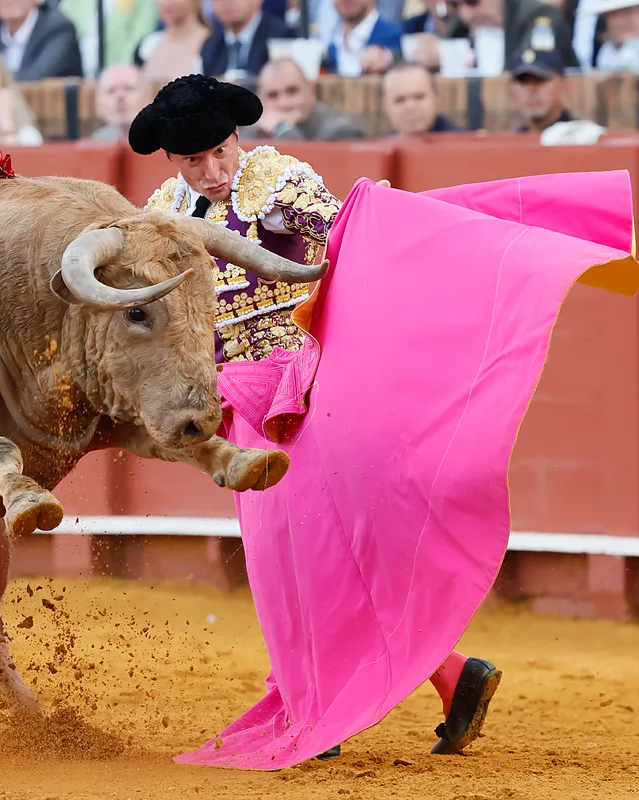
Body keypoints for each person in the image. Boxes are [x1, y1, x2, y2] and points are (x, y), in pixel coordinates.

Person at [130, 73, 505, 764]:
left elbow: (357, 246)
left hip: (298, 390)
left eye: (220, 151)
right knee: (317, 559)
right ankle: (451, 676)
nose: (212, 172)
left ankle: (317, 702)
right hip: (234, 400)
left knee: (292, 557)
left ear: (236, 137)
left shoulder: (278, 182)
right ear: (170, 161)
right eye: (193, 161)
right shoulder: (162, 210)